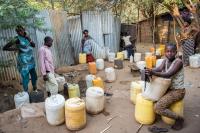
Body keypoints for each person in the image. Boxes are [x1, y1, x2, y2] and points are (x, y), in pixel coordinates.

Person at [145, 43, 185, 130]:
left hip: (178, 91)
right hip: (168, 88)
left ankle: (179, 119)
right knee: (154, 97)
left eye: (172, 51)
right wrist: (149, 70)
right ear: (164, 52)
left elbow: (168, 74)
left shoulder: (178, 62)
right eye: (167, 51)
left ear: (176, 52)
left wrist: (153, 73)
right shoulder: (165, 61)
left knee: (158, 107)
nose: (169, 53)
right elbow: (158, 69)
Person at [3, 25, 37, 92]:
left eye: (21, 30)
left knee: (34, 75)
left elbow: (34, 45)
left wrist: (28, 38)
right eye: (18, 31)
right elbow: (5, 48)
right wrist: (16, 48)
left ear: (24, 30)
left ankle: (35, 88)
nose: (20, 32)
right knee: (25, 77)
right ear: (16, 32)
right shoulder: (16, 39)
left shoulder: (27, 36)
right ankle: (26, 93)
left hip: (30, 60)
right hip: (24, 61)